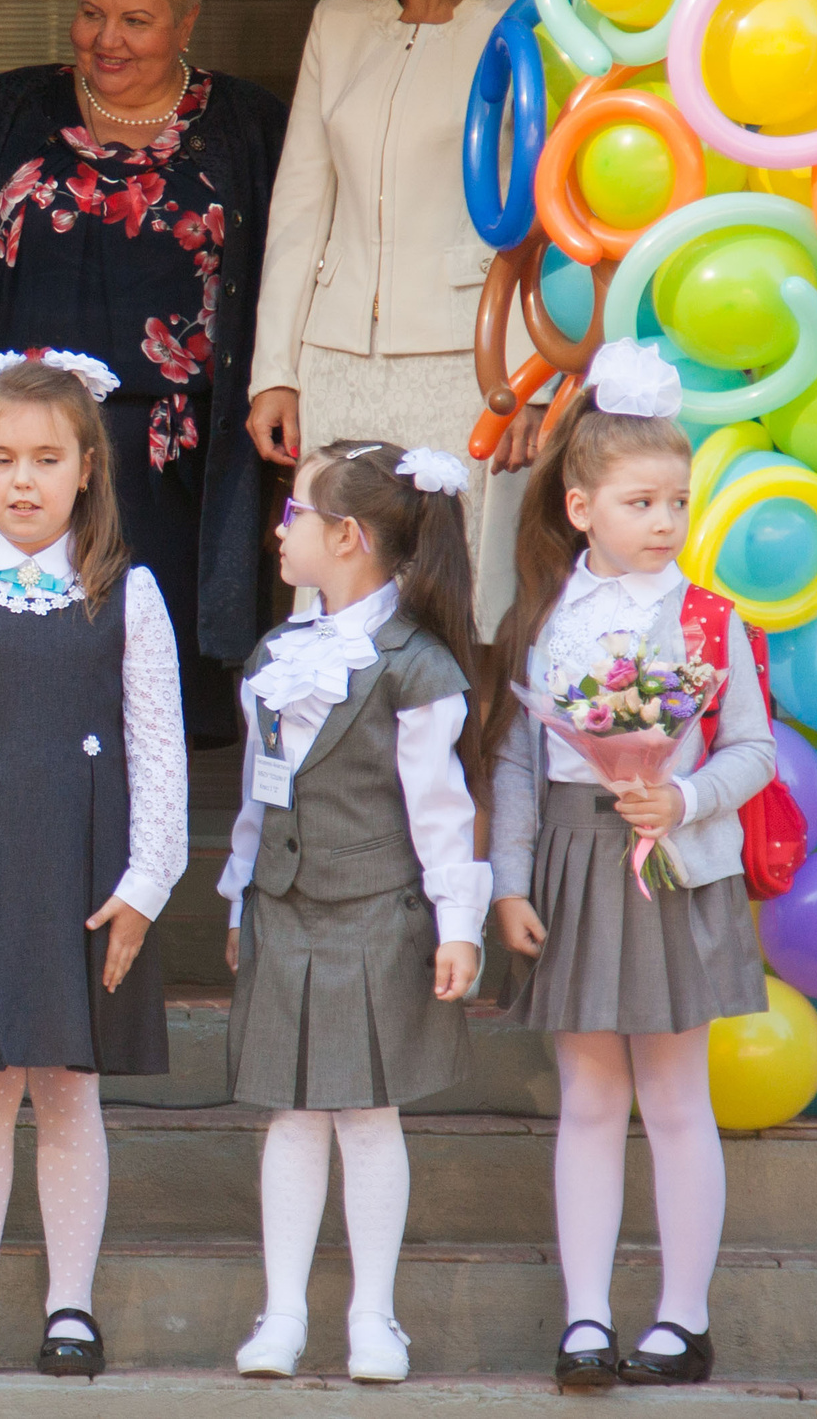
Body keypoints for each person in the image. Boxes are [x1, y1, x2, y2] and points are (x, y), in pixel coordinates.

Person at [0, 0, 285, 739]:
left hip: (176, 466)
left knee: (158, 703)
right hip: (19, 458)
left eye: (136, 20)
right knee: (17, 692)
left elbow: (288, 282)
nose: (109, 39)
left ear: (187, 21)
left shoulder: (247, 126)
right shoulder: (6, 111)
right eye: (92, 13)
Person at [0, 351, 188, 1378]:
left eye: (46, 459)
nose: (24, 479)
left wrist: (144, 885)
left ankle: (69, 1303)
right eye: (3, 458)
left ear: (87, 466)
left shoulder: (128, 594)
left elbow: (158, 750)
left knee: (65, 1086)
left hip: (84, 872)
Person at [483, 342, 775, 1390]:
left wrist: (683, 794)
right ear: (578, 505)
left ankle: (681, 1318)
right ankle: (584, 1316)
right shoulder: (540, 620)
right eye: (641, 499)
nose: (665, 520)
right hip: (571, 859)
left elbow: (752, 747)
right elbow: (517, 760)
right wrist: (507, 879)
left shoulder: (708, 619)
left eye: (677, 500)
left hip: (674, 868)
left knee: (675, 1094)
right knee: (590, 1096)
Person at [217, 441, 489, 1385]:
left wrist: (460, 923)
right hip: (284, 910)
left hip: (378, 909)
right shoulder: (280, 652)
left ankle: (374, 1315)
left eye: (295, 515)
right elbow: (260, 792)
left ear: (347, 536)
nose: (279, 530)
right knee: (291, 1113)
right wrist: (237, 889)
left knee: (369, 1115)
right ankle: (282, 1313)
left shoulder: (415, 665)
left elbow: (440, 807)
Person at [247, 0, 536, 630]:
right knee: (336, 595)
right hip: (338, 360)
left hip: (473, 364)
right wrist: (277, 369)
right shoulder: (336, 22)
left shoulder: (523, 18)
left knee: (466, 596)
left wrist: (530, 383)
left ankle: (462, 762)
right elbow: (300, 207)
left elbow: (546, 213)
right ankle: (340, 760)